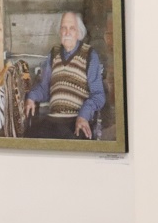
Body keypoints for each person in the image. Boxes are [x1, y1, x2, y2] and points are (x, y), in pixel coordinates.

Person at [23, 11, 105, 139]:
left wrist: (83, 116)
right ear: (60, 32)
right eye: (64, 28)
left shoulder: (89, 54)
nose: (67, 32)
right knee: (29, 138)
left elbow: (98, 95)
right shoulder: (54, 53)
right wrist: (31, 98)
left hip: (76, 120)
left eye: (72, 28)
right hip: (53, 120)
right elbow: (44, 88)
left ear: (79, 32)